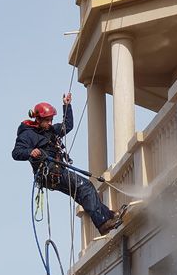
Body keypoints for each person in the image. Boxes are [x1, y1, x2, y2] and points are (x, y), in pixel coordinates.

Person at [12, 93, 127, 235]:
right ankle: (103, 223)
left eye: (51, 120)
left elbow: (68, 125)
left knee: (81, 193)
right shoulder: (28, 134)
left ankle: (109, 217)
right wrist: (30, 151)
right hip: (49, 173)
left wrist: (67, 106)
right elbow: (16, 153)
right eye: (47, 120)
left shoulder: (51, 130)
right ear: (38, 119)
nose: (50, 123)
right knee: (85, 186)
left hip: (57, 171)